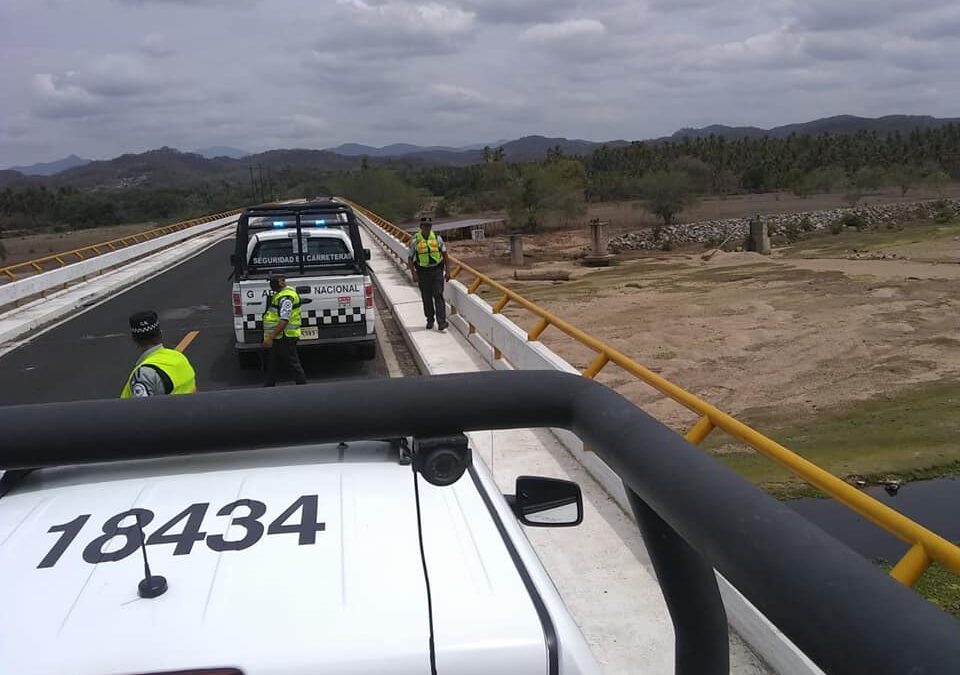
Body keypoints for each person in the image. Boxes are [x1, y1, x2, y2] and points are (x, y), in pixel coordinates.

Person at [121, 310, 197, 398]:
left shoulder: (144, 374)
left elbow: (141, 410)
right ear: (160, 334)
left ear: (134, 339)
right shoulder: (180, 357)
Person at [262, 274, 308, 386]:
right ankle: (269, 385)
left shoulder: (286, 297)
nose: (271, 285)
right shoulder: (280, 295)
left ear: (282, 282)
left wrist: (270, 338)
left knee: (293, 363)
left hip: (285, 336)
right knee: (272, 363)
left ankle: (303, 387)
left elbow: (284, 320)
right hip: (280, 336)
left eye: (273, 282)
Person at [407, 216, 451, 330]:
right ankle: (430, 319)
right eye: (425, 225)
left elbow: (445, 255)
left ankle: (441, 322)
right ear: (421, 227)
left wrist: (448, 271)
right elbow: (410, 259)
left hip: (436, 270)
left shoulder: (437, 238)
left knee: (438, 294)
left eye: (429, 226)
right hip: (422, 272)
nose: (427, 228)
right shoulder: (415, 241)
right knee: (426, 297)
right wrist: (414, 273)